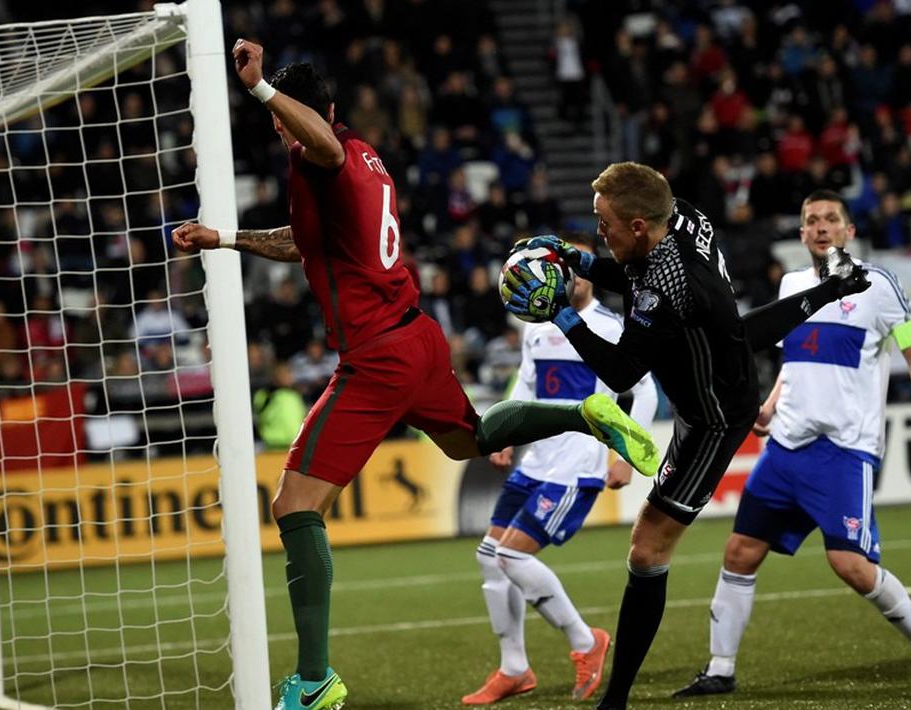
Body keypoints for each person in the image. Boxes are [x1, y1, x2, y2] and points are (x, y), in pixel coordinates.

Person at [171, 41, 660, 710]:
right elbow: (303, 241)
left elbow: (321, 145)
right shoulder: (363, 158)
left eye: (286, 118)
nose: (280, 128)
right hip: (417, 338)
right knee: (472, 439)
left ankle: (313, 681)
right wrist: (225, 238)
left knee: (292, 505)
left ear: (314, 114)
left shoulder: (329, 154)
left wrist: (259, 89)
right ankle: (584, 415)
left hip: (376, 357)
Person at [501, 162, 871, 709]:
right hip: (717, 376)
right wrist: (579, 260)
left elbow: (623, 372)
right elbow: (728, 325)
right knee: (645, 548)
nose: (598, 231)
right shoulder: (684, 219)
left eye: (604, 225)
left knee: (648, 549)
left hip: (712, 418)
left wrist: (563, 316)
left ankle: (616, 699)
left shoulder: (663, 286)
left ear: (637, 228)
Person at [673, 190, 911, 699]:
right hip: (785, 447)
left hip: (844, 450)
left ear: (848, 231)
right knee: (739, 552)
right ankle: (720, 668)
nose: (821, 227)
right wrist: (773, 403)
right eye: (811, 221)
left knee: (849, 565)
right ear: (801, 234)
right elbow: (795, 357)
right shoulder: (793, 283)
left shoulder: (879, 285)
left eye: (830, 219)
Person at [464, 233, 659, 705]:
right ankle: (514, 668)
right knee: (490, 555)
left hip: (577, 465)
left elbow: (646, 391)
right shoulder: (535, 324)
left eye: (565, 267)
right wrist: (504, 434)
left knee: (511, 556)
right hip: (538, 461)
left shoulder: (609, 326)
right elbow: (526, 384)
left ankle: (585, 641)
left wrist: (623, 456)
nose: (558, 275)